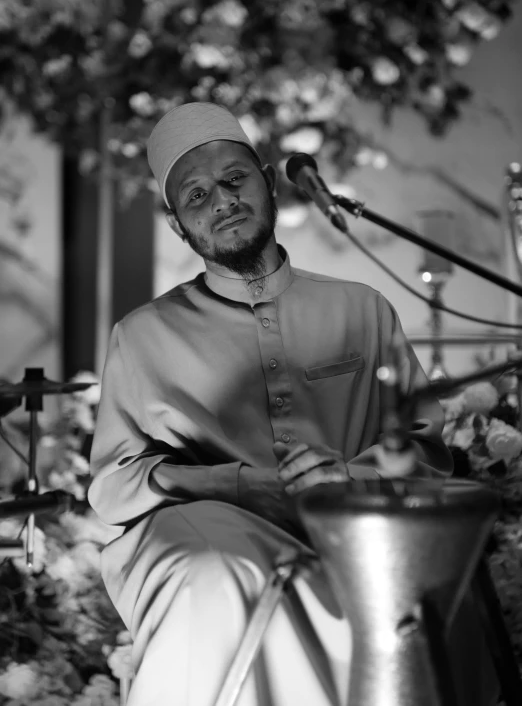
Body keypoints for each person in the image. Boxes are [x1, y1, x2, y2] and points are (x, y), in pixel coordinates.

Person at [88, 102, 495, 706]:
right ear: (179, 227)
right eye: (195, 196)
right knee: (208, 573)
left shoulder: (362, 308)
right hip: (225, 536)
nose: (221, 201)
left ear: (271, 183)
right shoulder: (142, 335)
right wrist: (237, 485)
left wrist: (347, 478)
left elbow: (428, 452)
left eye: (233, 179)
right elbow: (113, 486)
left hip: (355, 531)